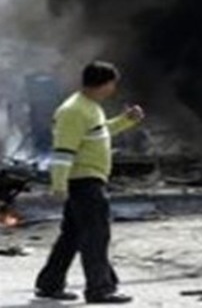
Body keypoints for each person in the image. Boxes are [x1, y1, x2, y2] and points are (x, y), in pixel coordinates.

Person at [34, 61, 145, 304]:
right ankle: (100, 289)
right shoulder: (74, 111)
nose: (114, 89)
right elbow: (63, 150)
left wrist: (126, 120)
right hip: (85, 182)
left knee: (72, 236)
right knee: (96, 236)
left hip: (87, 180)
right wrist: (58, 185)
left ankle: (50, 283)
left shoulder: (89, 107)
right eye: (112, 84)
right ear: (103, 84)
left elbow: (98, 133)